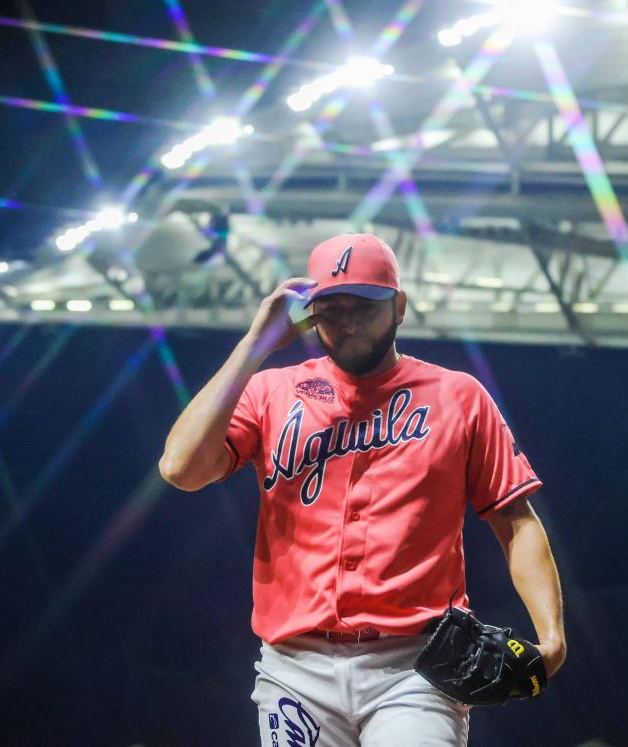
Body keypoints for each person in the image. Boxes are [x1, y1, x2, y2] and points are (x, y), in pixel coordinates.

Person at [159, 233, 566, 746]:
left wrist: (551, 640)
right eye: (331, 308)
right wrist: (255, 344)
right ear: (310, 312)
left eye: (365, 307)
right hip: (294, 669)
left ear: (399, 306)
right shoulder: (272, 390)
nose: (347, 322)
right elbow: (180, 468)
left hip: (416, 666)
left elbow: (516, 520)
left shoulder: (458, 395)